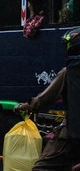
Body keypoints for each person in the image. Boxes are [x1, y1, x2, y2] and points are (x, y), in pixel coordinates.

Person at [15, 27, 80, 170]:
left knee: (40, 168)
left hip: (73, 137)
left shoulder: (69, 72)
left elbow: (43, 99)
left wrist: (26, 106)